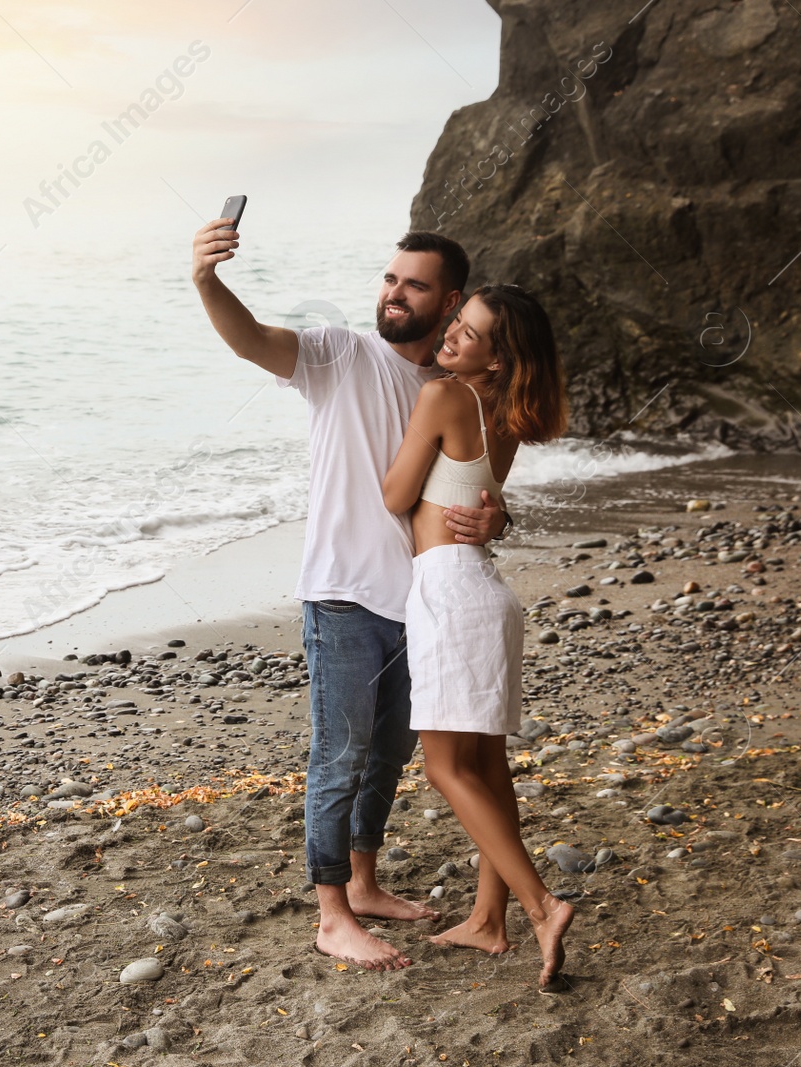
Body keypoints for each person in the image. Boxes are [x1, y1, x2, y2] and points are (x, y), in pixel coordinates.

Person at [191, 220, 508, 970]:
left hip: (424, 598)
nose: (394, 294)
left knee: (391, 751)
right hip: (343, 592)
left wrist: (498, 512)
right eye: (390, 279)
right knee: (340, 754)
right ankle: (332, 913)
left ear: (450, 300)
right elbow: (250, 339)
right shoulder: (340, 352)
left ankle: (363, 881)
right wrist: (207, 281)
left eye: (415, 285)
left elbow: (476, 487)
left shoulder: (455, 389)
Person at [381, 283, 571, 988]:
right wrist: (501, 519)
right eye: (456, 321)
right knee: (488, 767)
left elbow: (396, 496)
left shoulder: (442, 398)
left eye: (472, 332)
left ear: (499, 356)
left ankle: (542, 904)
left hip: (450, 594)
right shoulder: (511, 414)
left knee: (445, 768)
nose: (454, 335)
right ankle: (488, 919)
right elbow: (485, 501)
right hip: (486, 592)